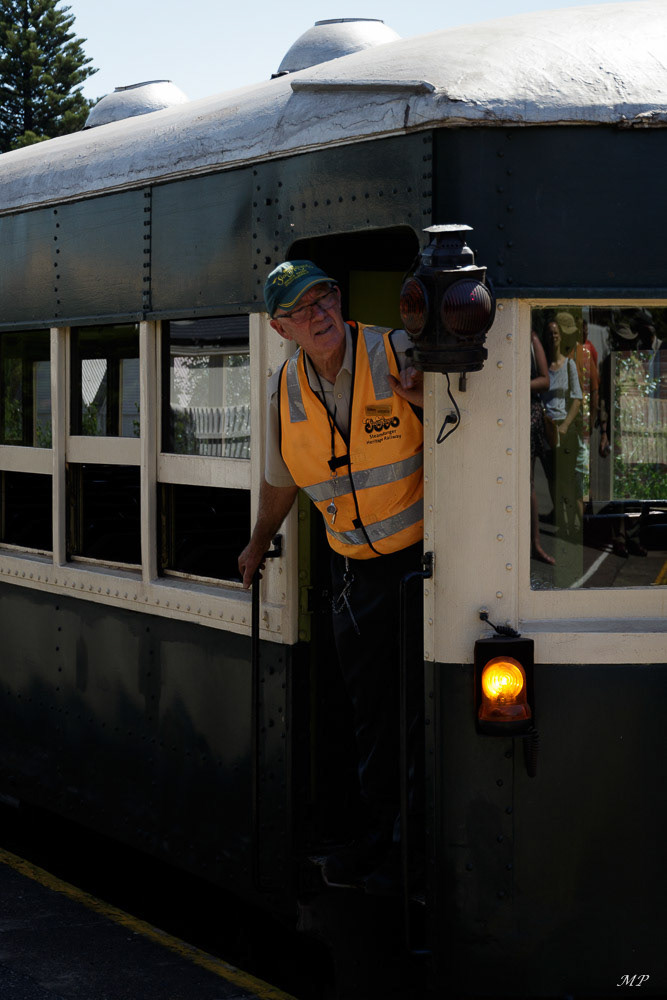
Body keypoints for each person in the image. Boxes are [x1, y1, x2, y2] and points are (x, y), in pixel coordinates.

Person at [238, 260, 425, 893]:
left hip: (426, 569)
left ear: (339, 301)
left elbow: (464, 428)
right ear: (280, 327)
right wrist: (258, 543)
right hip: (357, 578)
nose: (318, 316)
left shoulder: (396, 350)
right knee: (372, 716)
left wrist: (436, 400)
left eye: (325, 300)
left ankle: (423, 845)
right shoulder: (282, 391)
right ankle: (382, 842)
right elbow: (280, 480)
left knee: (425, 708)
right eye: (301, 310)